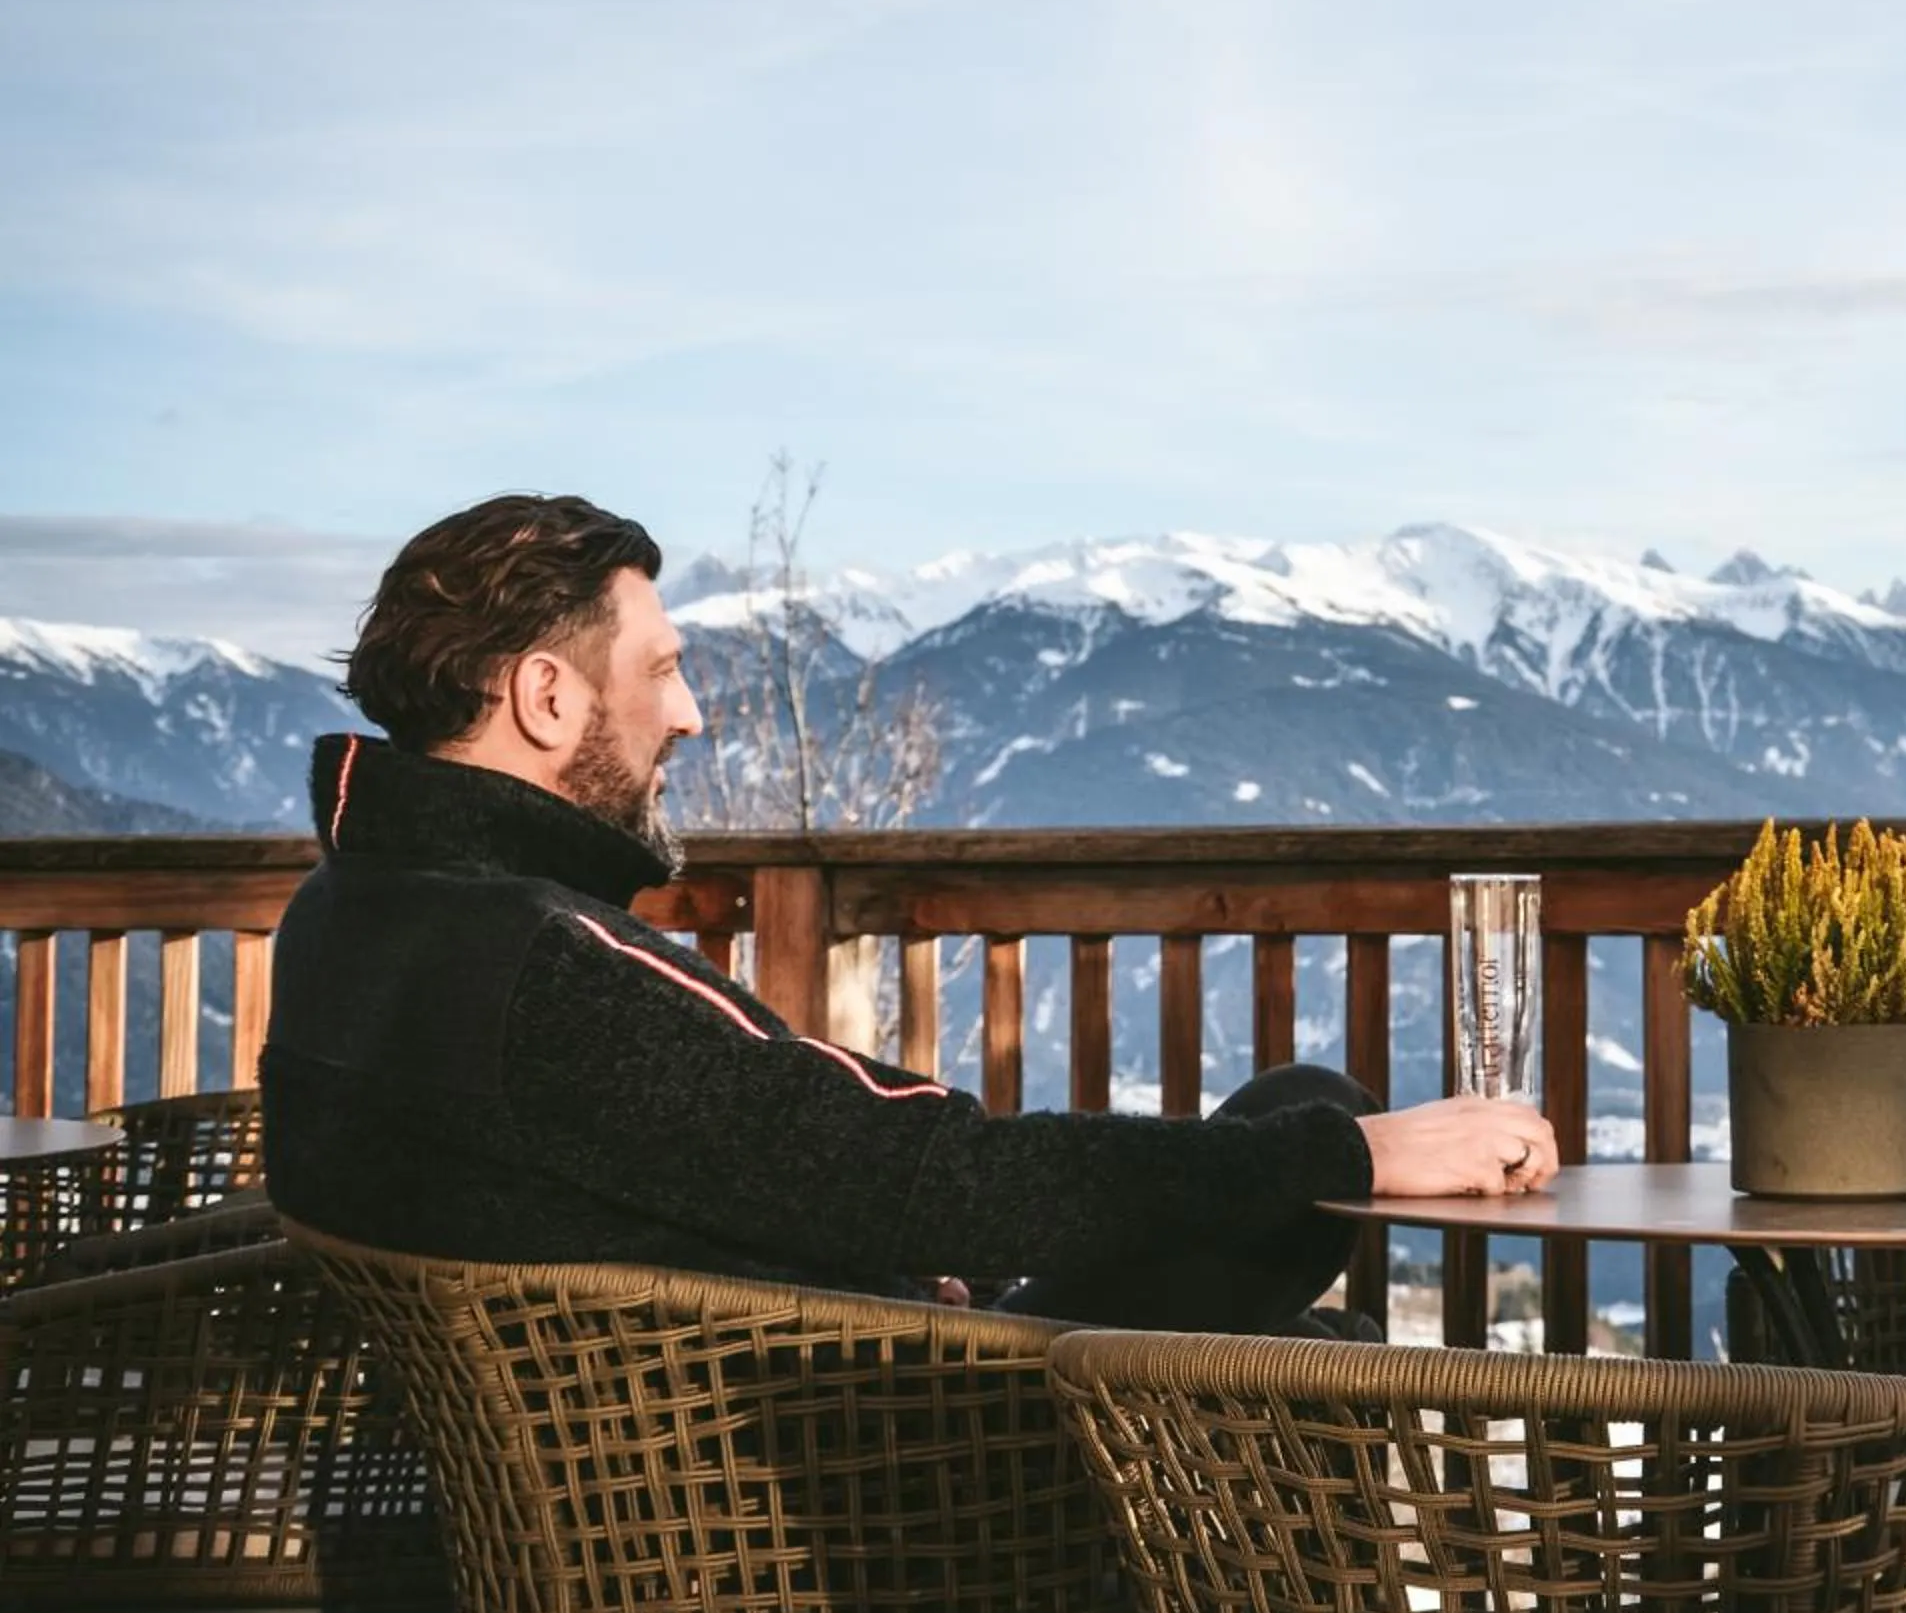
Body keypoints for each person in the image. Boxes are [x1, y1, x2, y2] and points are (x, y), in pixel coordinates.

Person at [261, 492, 1557, 1333]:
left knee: (1296, 1115)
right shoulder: (550, 970)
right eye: (659, 672)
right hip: (868, 1473)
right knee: (1307, 1193)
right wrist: (1358, 1162)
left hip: (720, 1402)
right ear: (548, 698)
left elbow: (760, 1170)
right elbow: (928, 1179)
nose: (693, 713)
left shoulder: (356, 913)